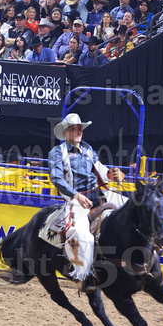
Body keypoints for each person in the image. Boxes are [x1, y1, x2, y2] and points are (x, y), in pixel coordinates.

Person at [47, 113, 125, 288]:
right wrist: (76, 195)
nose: (78, 131)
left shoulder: (89, 149)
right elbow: (56, 178)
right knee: (84, 237)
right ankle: (83, 274)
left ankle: (160, 239)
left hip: (98, 194)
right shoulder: (58, 153)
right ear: (65, 133)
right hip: (76, 199)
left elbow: (101, 170)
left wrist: (112, 174)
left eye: (80, 128)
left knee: (133, 205)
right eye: (74, 129)